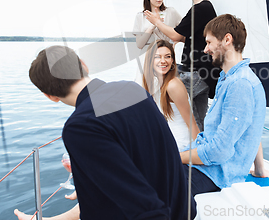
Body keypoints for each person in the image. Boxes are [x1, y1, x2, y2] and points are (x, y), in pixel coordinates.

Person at [14, 45, 193, 220]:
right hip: (183, 207)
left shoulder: (79, 126)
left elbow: (141, 205)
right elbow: (147, 157)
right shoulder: (132, 89)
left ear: (49, 96)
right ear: (83, 65)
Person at [179, 14, 267, 199]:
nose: (205, 49)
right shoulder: (229, 78)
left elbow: (220, 151)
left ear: (227, 39)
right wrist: (259, 169)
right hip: (207, 167)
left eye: (209, 42)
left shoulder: (240, 84)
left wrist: (177, 157)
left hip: (213, 175)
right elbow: (250, 126)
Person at [144, 0, 219, 131]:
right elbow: (189, 37)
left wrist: (156, 22)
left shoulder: (199, 9)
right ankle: (201, 151)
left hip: (197, 72)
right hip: (206, 74)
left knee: (158, 97)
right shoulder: (206, 9)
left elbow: (176, 35)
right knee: (200, 120)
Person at [143, 40, 200, 150]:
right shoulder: (156, 84)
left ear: (173, 60)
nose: (163, 61)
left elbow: (191, 122)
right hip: (169, 140)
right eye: (158, 57)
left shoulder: (173, 85)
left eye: (167, 56)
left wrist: (200, 151)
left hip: (182, 144)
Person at [133, 0, 181, 84]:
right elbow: (139, 44)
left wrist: (174, 43)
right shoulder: (140, 16)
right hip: (146, 59)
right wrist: (154, 24)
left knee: (166, 89)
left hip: (165, 59)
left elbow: (184, 32)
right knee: (146, 92)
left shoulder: (171, 12)